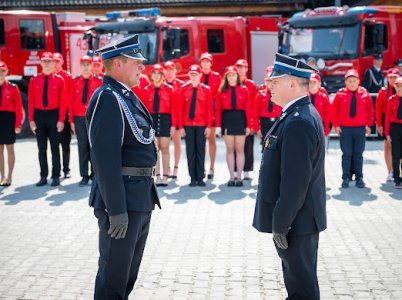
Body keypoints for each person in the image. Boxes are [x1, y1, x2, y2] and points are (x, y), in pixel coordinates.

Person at [86, 35, 161, 299]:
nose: (142, 67)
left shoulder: (125, 96)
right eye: (136, 62)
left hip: (139, 198)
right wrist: (116, 210)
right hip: (123, 202)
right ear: (117, 64)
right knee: (113, 279)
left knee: (127, 276)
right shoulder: (108, 97)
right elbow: (105, 161)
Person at [253, 53, 326, 300]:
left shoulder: (298, 121)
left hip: (296, 222)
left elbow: (296, 182)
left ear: (292, 83)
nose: (269, 85)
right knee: (299, 285)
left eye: (276, 80)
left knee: (301, 290)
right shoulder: (296, 114)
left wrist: (281, 224)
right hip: (299, 219)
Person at [331, 69, 374, 188]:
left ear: (358, 81)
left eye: (354, 81)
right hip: (345, 130)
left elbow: (370, 110)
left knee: (358, 154)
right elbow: (333, 111)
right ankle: (345, 177)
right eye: (349, 81)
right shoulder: (340, 95)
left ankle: (359, 177)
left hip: (360, 129)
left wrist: (369, 125)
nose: (352, 83)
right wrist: (336, 125)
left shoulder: (365, 95)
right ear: (345, 82)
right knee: (347, 154)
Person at [28, 52, 65, 187]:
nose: (47, 63)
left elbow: (62, 102)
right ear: (41, 63)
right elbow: (30, 101)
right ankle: (43, 176)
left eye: (49, 61)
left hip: (53, 115)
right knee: (41, 148)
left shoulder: (59, 80)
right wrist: (31, 120)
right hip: (39, 116)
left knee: (55, 147)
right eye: (44, 61)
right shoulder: (34, 80)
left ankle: (56, 175)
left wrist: (61, 120)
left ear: (53, 63)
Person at [139, 64, 175, 187]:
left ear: (162, 75)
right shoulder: (147, 90)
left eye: (158, 73)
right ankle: (157, 175)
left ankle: (165, 176)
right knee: (155, 150)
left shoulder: (169, 89)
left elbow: (173, 109)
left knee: (165, 148)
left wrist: (174, 125)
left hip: (165, 119)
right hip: (152, 120)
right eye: (154, 73)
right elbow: (143, 109)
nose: (156, 75)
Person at [215, 66, 251, 187]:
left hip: (240, 120)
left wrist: (249, 125)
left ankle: (239, 176)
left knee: (240, 149)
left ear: (237, 76)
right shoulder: (222, 91)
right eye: (229, 75)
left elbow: (248, 109)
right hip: (227, 120)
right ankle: (231, 176)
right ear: (226, 77)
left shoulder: (244, 89)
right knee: (230, 149)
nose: (231, 77)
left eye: (233, 75)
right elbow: (218, 110)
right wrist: (218, 126)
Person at [178, 64, 213, 187]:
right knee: (190, 151)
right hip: (188, 124)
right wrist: (180, 127)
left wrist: (209, 126)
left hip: (201, 124)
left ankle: (200, 177)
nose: (193, 76)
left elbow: (209, 109)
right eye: (191, 74)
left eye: (196, 74)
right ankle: (192, 177)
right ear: (189, 75)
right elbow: (180, 109)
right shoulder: (183, 88)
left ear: (200, 75)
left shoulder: (206, 89)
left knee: (200, 150)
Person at [70, 55, 102, 186]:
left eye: (88, 64)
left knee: (94, 147)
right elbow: (70, 101)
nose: (85, 67)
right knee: (82, 146)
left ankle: (95, 174)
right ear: (80, 66)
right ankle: (84, 175)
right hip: (79, 118)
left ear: (92, 66)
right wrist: (71, 120)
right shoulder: (74, 82)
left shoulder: (99, 81)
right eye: (83, 64)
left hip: (94, 118)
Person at [0, 61, 23, 187]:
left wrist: (18, 124)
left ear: (6, 72)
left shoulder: (13, 87)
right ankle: (2, 176)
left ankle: (9, 176)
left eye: (2, 71)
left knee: (9, 148)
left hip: (8, 119)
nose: (0, 74)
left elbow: (18, 108)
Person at [200, 52, 221, 180]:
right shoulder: (198, 75)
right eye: (203, 61)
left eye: (207, 61)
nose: (205, 63)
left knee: (211, 140)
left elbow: (218, 96)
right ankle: (201, 167)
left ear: (211, 63)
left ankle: (211, 167)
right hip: (200, 111)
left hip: (212, 111)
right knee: (200, 142)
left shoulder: (216, 77)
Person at [376, 68, 399, 182]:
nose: (393, 80)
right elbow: (379, 109)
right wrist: (379, 124)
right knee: (388, 146)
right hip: (387, 119)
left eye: (395, 77)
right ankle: (390, 171)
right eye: (390, 77)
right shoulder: (383, 92)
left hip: (398, 120)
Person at [235, 59, 256, 180]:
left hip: (248, 118)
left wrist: (252, 123)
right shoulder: (233, 82)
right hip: (236, 118)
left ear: (247, 69)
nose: (241, 69)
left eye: (243, 67)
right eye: (239, 67)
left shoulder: (251, 85)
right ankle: (236, 169)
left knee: (248, 145)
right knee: (236, 145)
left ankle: (247, 170)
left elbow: (253, 104)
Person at [53, 52, 73, 178]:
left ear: (62, 62)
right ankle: (56, 170)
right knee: (54, 144)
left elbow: (70, 96)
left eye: (57, 61)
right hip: (53, 113)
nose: (55, 64)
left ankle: (66, 169)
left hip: (65, 114)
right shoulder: (49, 77)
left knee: (65, 143)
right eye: (53, 61)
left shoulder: (67, 77)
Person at [163, 61, 184, 179]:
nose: (169, 72)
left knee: (177, 143)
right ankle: (168, 168)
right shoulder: (161, 84)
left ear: (175, 71)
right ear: (164, 72)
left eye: (171, 70)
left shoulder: (180, 84)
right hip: (166, 118)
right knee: (165, 145)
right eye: (167, 70)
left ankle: (176, 167)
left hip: (178, 118)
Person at [253, 66, 282, 140]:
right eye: (268, 81)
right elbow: (255, 112)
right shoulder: (260, 94)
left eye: (273, 81)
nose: (270, 83)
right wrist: (257, 129)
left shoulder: (281, 94)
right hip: (264, 124)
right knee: (265, 147)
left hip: (277, 123)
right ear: (265, 81)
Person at [384, 76, 402, 188]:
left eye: (401, 86)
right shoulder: (391, 100)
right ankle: (397, 179)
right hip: (395, 128)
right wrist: (387, 133)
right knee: (396, 154)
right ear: (394, 87)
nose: (399, 89)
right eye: (398, 86)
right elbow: (387, 117)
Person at [308, 73, 331, 137]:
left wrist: (326, 129)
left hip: (320, 126)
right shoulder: (304, 97)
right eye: (310, 82)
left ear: (319, 84)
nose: (312, 84)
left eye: (314, 82)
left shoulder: (323, 97)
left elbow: (327, 114)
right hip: (307, 126)